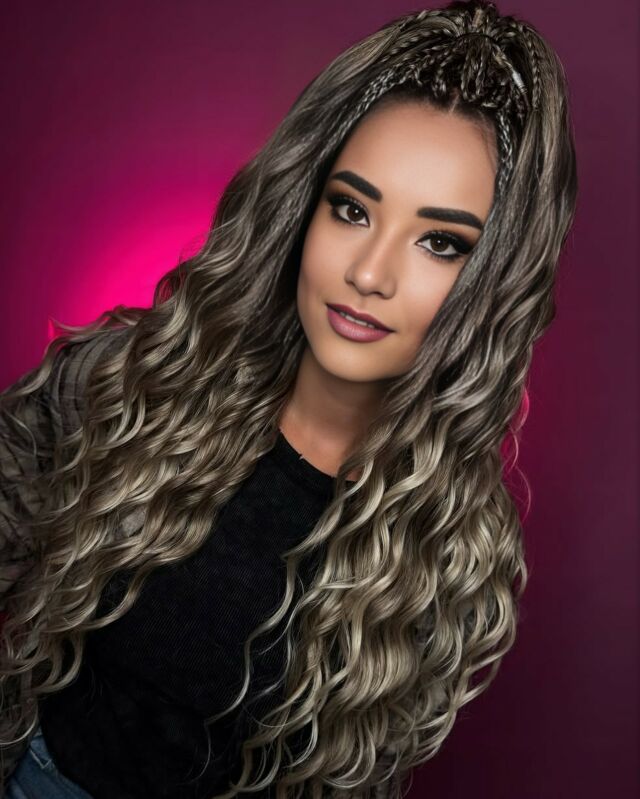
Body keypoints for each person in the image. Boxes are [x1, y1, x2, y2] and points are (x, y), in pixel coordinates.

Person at [0, 1, 577, 797]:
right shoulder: (133, 381)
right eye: (352, 208)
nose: (369, 272)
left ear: (492, 285)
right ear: (304, 208)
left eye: (440, 242)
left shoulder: (453, 553)